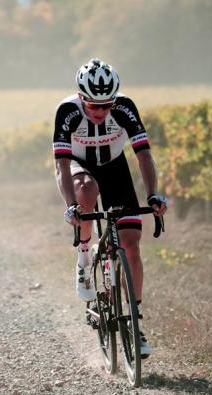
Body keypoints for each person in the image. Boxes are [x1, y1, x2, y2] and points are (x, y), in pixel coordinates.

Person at [53, 58, 167, 358]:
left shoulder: (125, 107)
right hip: (80, 167)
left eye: (107, 105)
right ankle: (84, 256)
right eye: (94, 106)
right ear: (81, 98)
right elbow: (62, 165)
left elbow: (143, 156)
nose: (102, 112)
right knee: (87, 189)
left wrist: (153, 195)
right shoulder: (67, 111)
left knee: (131, 244)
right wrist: (71, 207)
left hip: (114, 167)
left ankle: (134, 323)